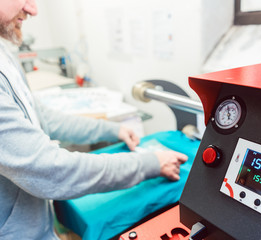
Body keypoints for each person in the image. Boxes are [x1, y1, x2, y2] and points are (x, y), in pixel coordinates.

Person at [0, 1, 188, 239]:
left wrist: (113, 130)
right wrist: (150, 164)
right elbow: (50, 170)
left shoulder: (4, 53)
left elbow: (42, 118)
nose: (33, 9)